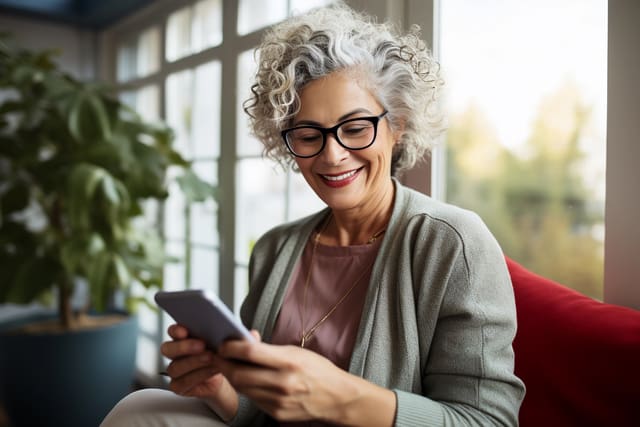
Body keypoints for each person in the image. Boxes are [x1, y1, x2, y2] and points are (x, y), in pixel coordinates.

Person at [101, 2, 525, 426]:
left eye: (356, 128)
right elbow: (257, 412)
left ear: (398, 125)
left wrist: (344, 400)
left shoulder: (452, 242)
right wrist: (221, 389)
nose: (333, 155)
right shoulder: (275, 249)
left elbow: (488, 420)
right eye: (308, 135)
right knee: (139, 407)